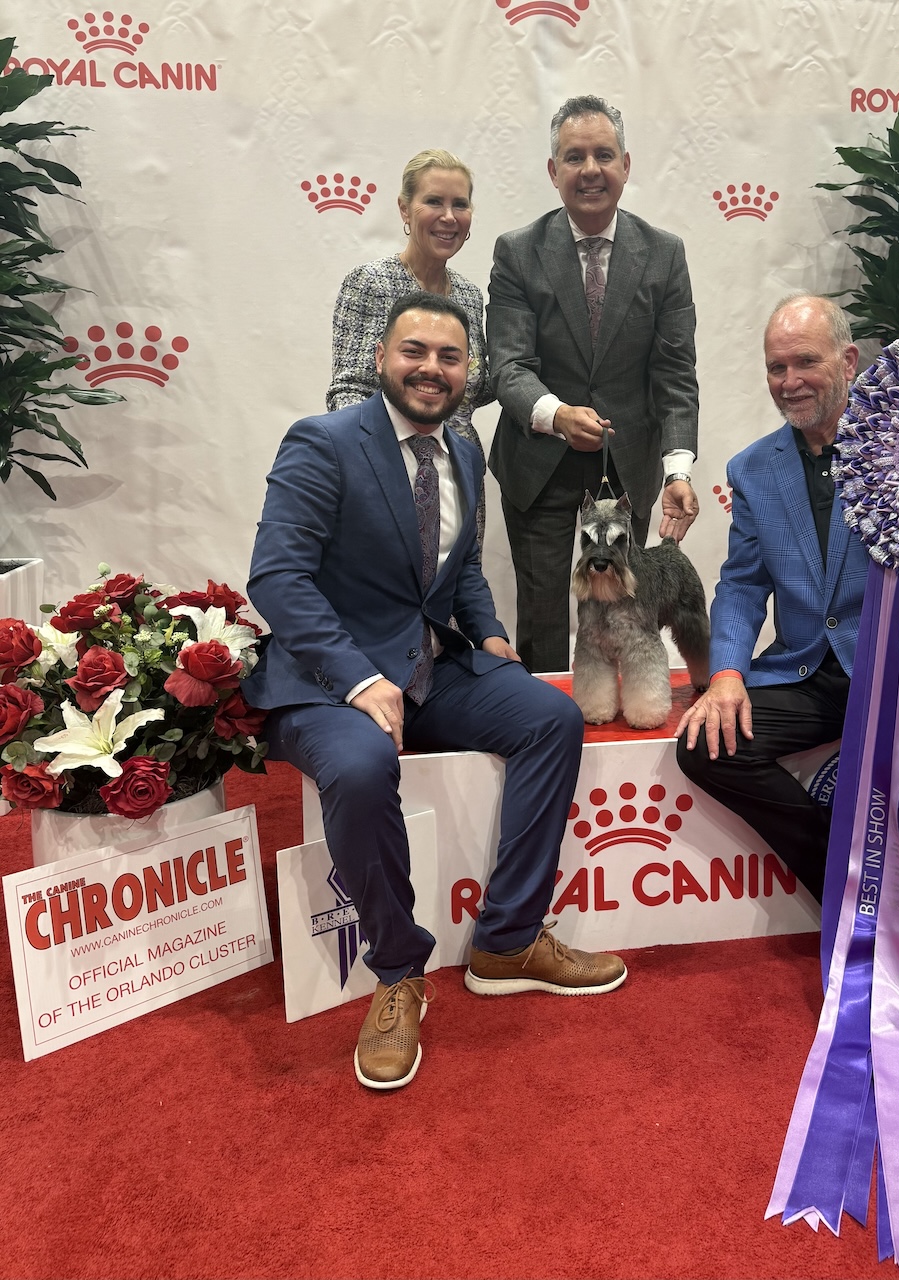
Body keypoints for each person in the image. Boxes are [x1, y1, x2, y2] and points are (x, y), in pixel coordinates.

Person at [248, 291, 627, 1092]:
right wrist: (357, 678)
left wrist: (489, 635)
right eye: (414, 351)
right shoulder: (322, 441)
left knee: (550, 717)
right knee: (359, 768)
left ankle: (508, 940)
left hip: (425, 669)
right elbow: (277, 579)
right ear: (380, 359)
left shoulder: (461, 452)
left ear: (468, 373)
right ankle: (397, 973)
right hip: (325, 680)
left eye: (449, 357)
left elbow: (459, 573)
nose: (431, 368)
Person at [675, 293, 899, 1011]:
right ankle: (853, 882)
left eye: (805, 362)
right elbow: (741, 585)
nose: (789, 381)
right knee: (705, 747)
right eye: (776, 367)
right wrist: (728, 672)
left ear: (848, 361)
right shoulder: (753, 468)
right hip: (813, 670)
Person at [486, 94, 700, 673]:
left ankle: (618, 717)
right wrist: (556, 414)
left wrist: (678, 470)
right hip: (538, 463)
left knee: (622, 616)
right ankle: (546, 717)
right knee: (543, 618)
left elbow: (675, 373)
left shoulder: (665, 254)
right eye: (574, 157)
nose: (590, 170)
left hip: (628, 468)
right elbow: (508, 365)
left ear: (625, 166)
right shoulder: (517, 252)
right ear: (553, 171)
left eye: (603, 155)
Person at [327, 149, 492, 543]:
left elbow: (476, 387)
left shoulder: (470, 296)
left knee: (458, 579)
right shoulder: (371, 284)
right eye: (433, 201)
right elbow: (347, 392)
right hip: (387, 480)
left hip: (459, 478)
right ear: (404, 209)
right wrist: (378, 467)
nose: (448, 216)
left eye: (459, 204)